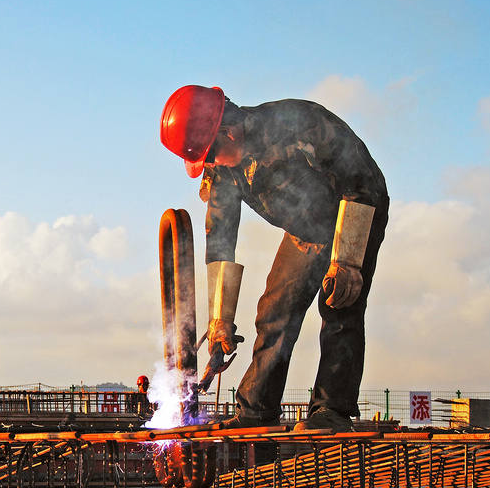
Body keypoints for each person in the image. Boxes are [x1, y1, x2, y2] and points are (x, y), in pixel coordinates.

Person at [160, 85, 389, 433]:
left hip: (357, 208)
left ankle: (332, 411)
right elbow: (220, 236)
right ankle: (256, 412)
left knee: (340, 304)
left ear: (229, 131)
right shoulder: (223, 169)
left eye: (211, 154)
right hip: (305, 231)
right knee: (274, 312)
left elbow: (360, 183)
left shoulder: (301, 124)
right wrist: (220, 319)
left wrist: (348, 260)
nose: (210, 163)